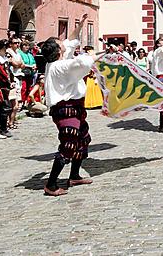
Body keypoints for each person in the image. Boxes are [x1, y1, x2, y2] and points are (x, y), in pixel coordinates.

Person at [40, 13, 101, 196]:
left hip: (75, 107)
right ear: (58, 51)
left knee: (82, 140)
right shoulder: (59, 66)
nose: (63, 44)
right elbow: (83, 62)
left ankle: (74, 175)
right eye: (60, 45)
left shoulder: (58, 59)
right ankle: (51, 184)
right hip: (65, 109)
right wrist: (105, 53)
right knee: (68, 144)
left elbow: (71, 40)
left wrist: (81, 25)